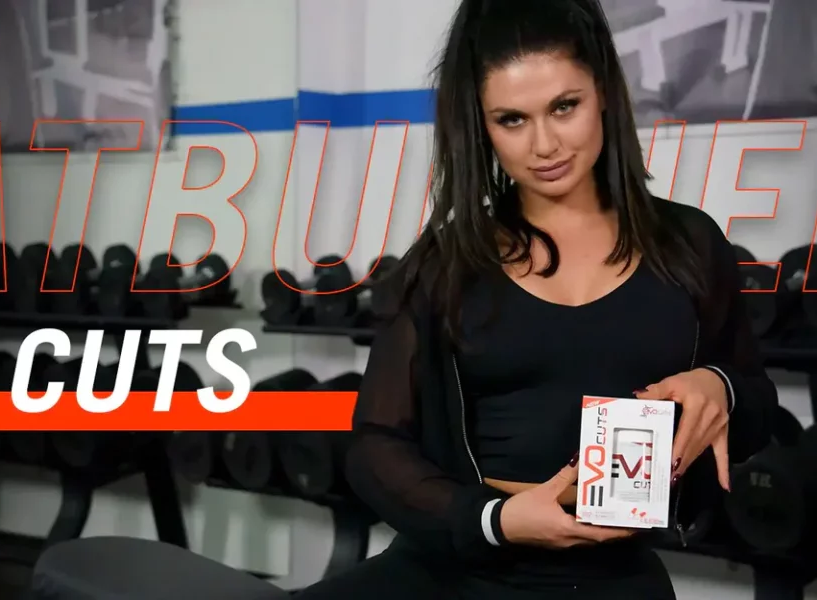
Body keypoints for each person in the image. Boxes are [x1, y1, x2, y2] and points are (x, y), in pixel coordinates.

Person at [296, 0, 777, 597]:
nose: (544, 144)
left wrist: (719, 386)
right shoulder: (447, 263)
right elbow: (374, 444)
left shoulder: (689, 244)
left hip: (615, 575)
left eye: (564, 107)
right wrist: (493, 521)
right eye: (512, 120)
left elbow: (757, 408)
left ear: (603, 94)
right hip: (460, 571)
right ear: (483, 126)